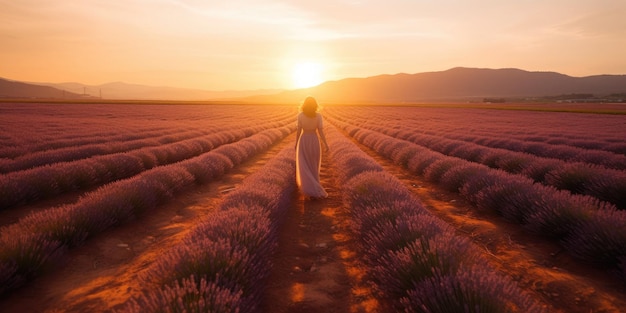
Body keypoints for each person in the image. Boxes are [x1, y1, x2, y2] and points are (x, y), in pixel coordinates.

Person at [295, 96, 329, 199]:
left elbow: (298, 131)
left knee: (304, 165)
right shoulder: (318, 116)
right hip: (314, 140)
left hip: (304, 140)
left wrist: (296, 143)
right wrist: (326, 144)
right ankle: (314, 188)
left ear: (304, 104)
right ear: (315, 105)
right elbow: (321, 131)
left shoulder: (300, 115)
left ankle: (309, 189)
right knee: (313, 165)